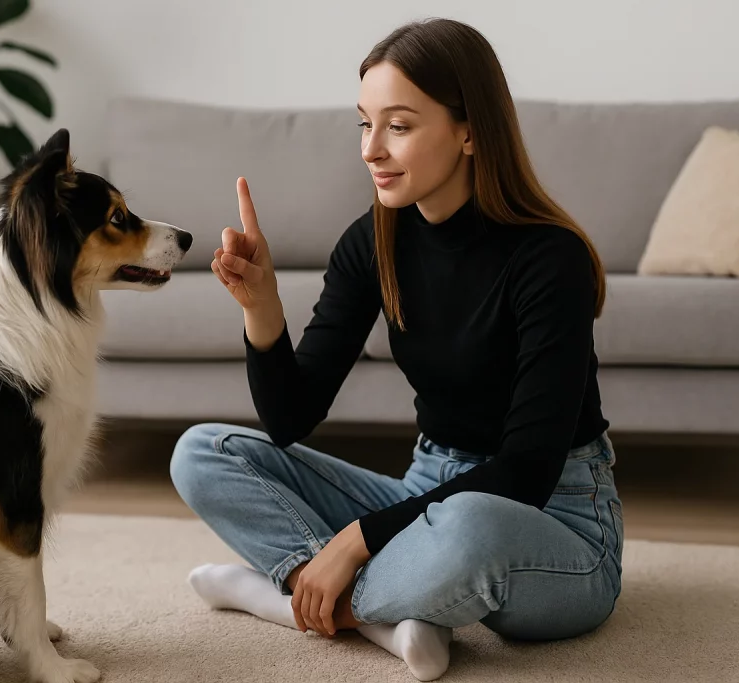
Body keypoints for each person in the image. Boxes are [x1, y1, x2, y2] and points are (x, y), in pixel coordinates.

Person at [169, 17, 624, 682]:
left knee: (469, 526)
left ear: (469, 130)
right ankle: (390, 611)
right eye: (364, 123)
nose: (370, 149)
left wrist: (358, 539)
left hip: (555, 515)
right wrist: (262, 309)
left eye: (399, 125)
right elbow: (290, 420)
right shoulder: (373, 240)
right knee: (201, 452)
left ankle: (281, 595)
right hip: (426, 487)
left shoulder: (548, 258)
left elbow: (526, 469)